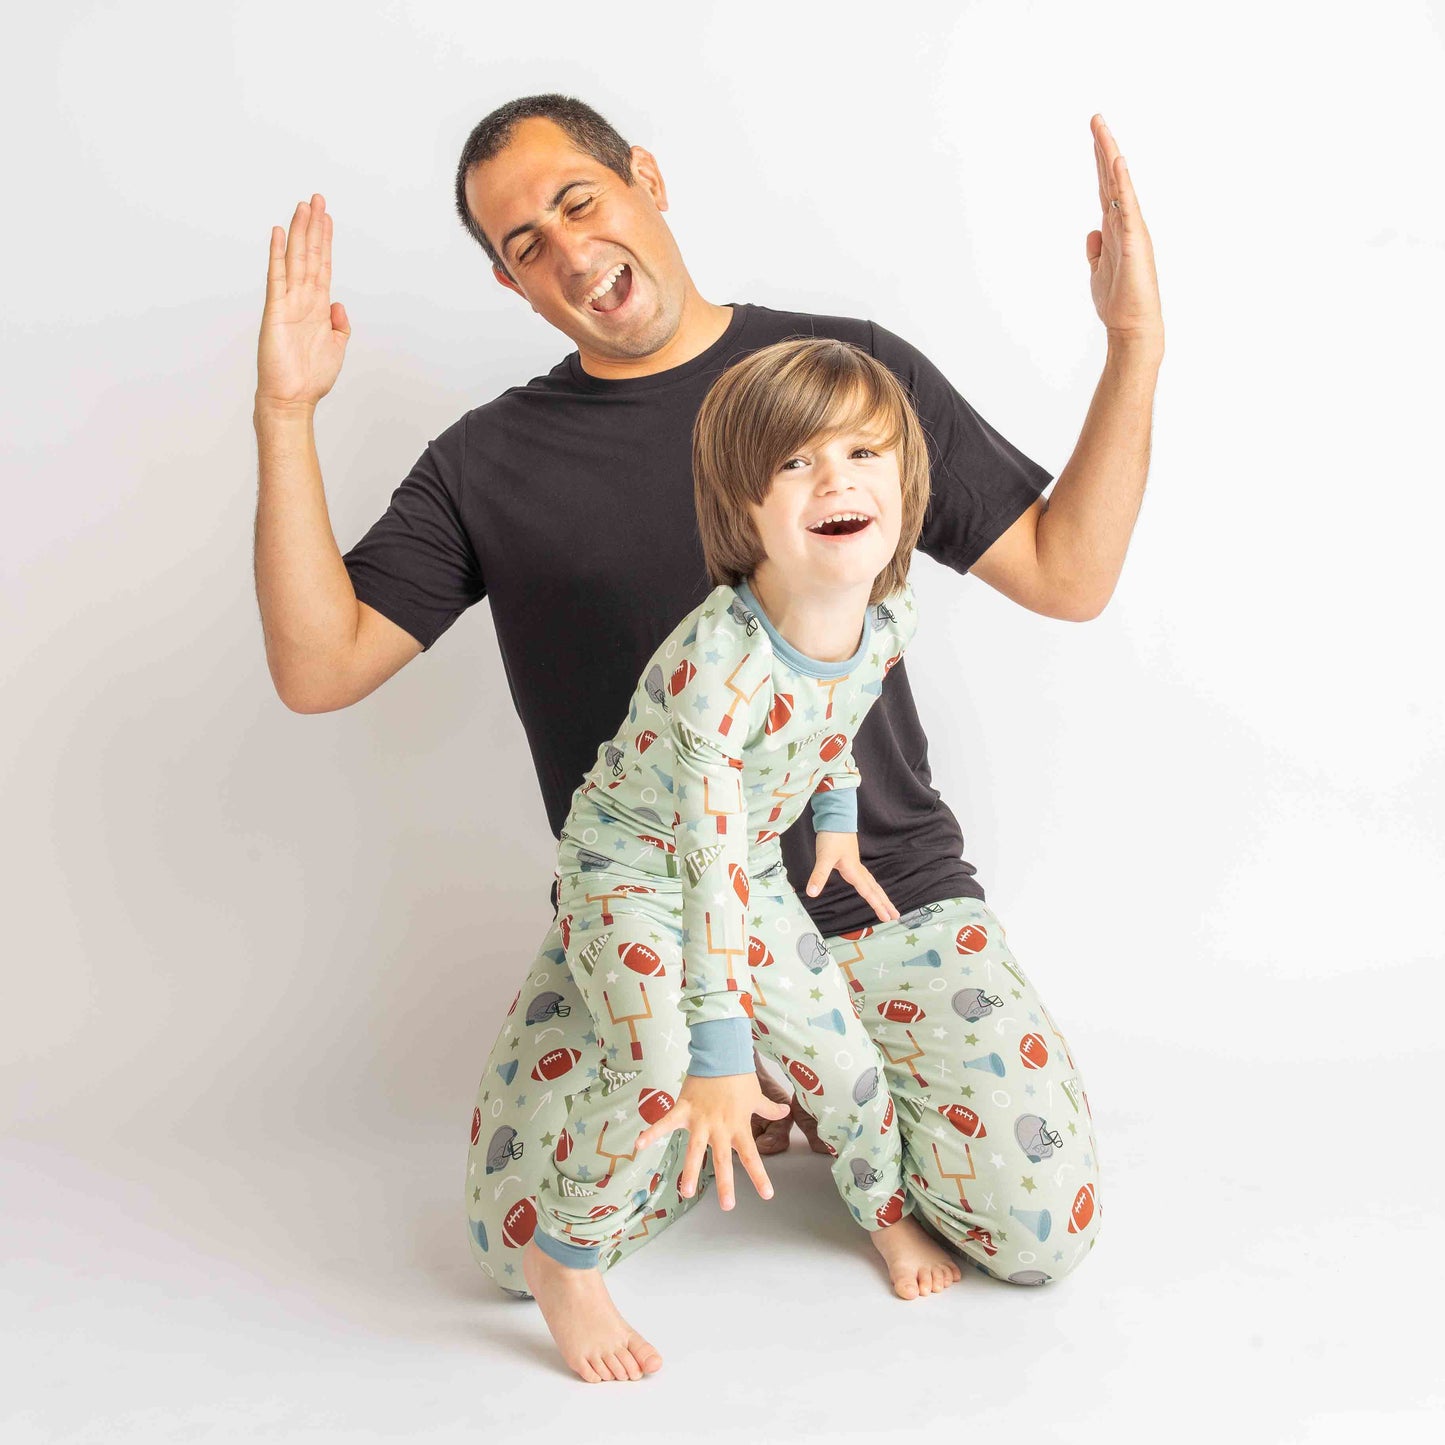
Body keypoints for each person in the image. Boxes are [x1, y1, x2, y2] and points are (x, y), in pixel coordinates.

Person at [254, 94, 1163, 1382]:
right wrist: (285, 413)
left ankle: (832, 1105)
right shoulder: (488, 460)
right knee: (512, 1249)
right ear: (512, 286)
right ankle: (719, 1084)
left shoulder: (841, 377)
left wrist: (1132, 341)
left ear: (645, 178)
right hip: (665, 905)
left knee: (1037, 1231)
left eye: (577, 200)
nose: (566, 250)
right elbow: (315, 665)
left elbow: (1066, 574)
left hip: (882, 902)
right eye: (522, 244)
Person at [523, 335, 968, 1379]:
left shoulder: (886, 615)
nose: (838, 479)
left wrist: (844, 816)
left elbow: (837, 712)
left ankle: (879, 1206)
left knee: (849, 1068)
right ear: (742, 509)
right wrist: (720, 1048)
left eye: (863, 452)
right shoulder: (716, 668)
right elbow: (707, 853)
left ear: (902, 478)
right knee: (660, 1067)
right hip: (636, 869)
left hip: (747, 869)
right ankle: (564, 1259)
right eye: (795, 463)